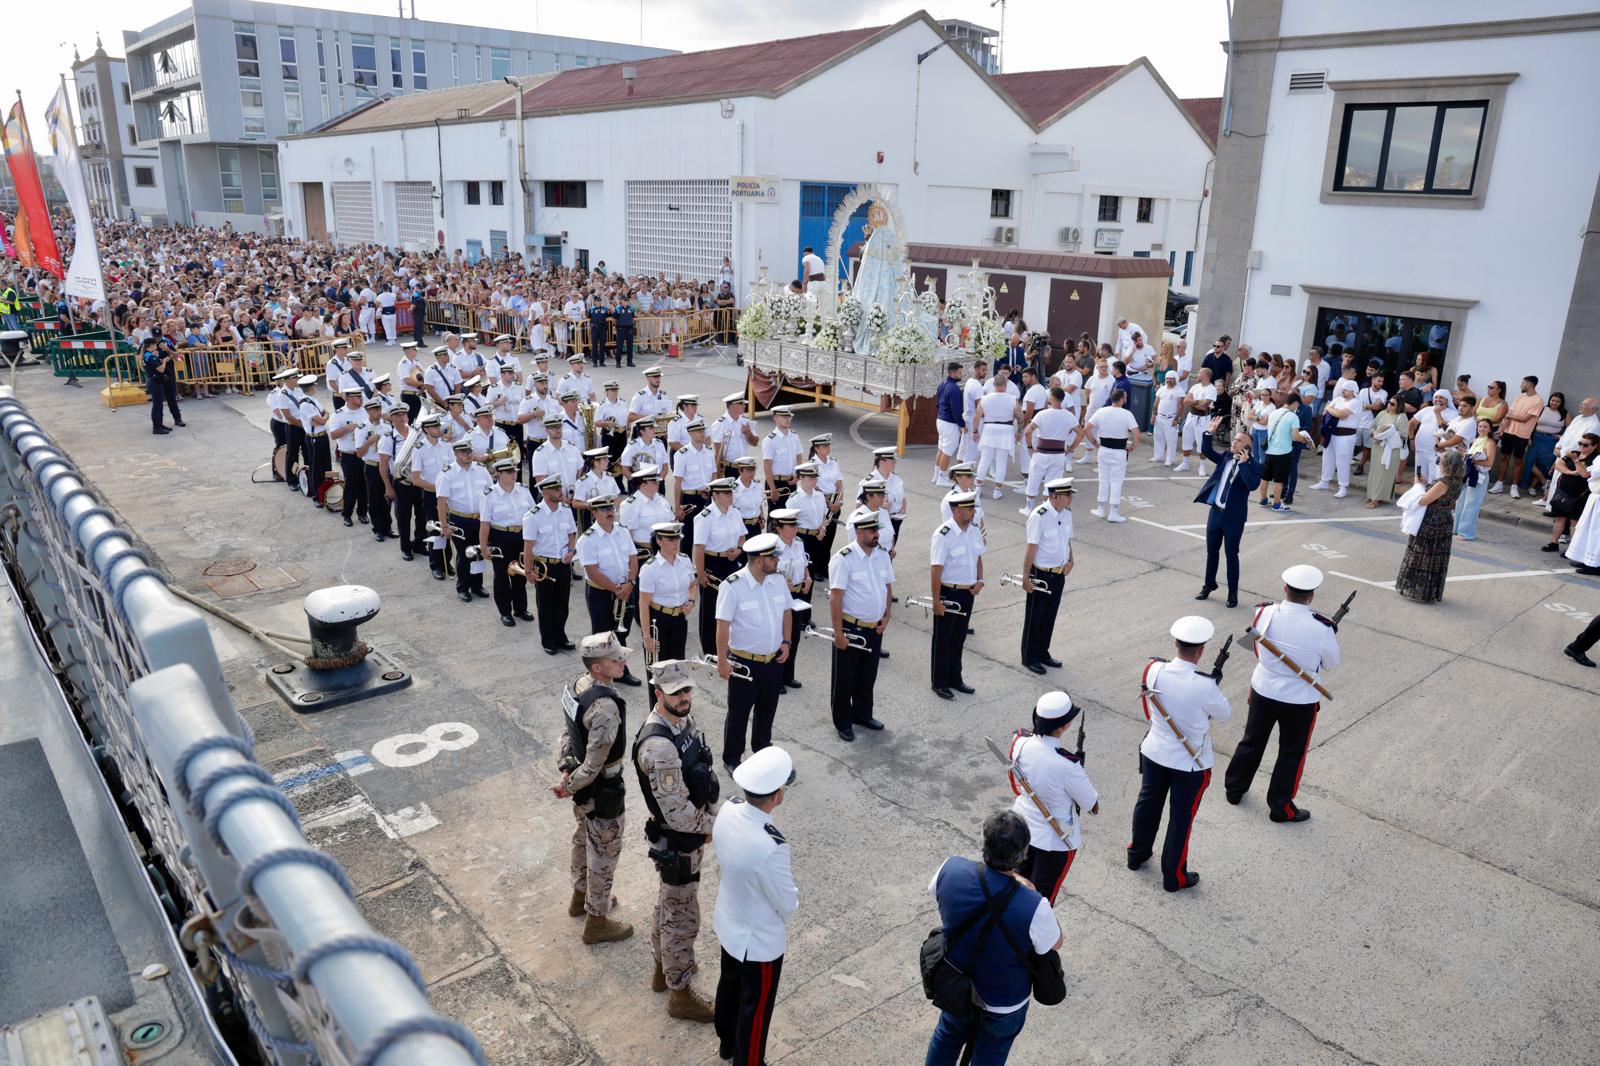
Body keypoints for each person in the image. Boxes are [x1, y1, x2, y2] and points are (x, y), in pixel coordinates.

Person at [924, 811, 1063, 1065]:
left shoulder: (950, 869)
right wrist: (1023, 884)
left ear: (983, 843)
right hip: (1003, 1003)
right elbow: (1055, 943)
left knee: (947, 1035)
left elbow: (936, 892)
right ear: (1024, 853)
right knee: (990, 1055)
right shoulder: (1034, 905)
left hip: (957, 983)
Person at [633, 658, 719, 1021]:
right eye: (675, 692)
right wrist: (713, 826)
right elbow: (677, 813)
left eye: (686, 690)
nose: (684, 697)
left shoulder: (682, 723)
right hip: (680, 840)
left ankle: (662, 968)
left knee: (669, 905)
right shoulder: (659, 747)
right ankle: (679, 993)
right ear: (658, 694)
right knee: (682, 916)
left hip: (689, 837)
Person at [1225, 565, 1340, 822]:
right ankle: (1280, 807)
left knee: (1251, 740)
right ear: (1311, 596)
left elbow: (1254, 649)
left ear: (1285, 589)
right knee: (1291, 752)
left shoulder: (1264, 612)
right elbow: (1331, 663)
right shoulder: (1322, 628)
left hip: (1264, 688)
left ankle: (1234, 788)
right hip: (1299, 699)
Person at [1129, 615, 1232, 892]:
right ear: (1201, 651)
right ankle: (1174, 876)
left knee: (1148, 803)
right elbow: (1224, 714)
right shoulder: (1205, 684)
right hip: (1189, 762)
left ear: (1175, 643)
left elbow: (1151, 711)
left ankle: (1137, 854)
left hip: (1155, 750)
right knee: (1180, 818)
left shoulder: (1153, 669)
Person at [712, 746, 798, 1066]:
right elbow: (786, 902)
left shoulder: (729, 808)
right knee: (756, 1009)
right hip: (759, 940)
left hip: (729, 922)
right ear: (777, 795)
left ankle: (727, 1043)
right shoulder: (771, 845)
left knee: (730, 985)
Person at [555, 632, 635, 945]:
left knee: (581, 837)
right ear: (597, 668)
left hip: (579, 781)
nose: (622, 661)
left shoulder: (578, 685)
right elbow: (594, 765)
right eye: (615, 659)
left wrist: (565, 772)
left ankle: (579, 898)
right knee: (604, 852)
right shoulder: (606, 709)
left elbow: (567, 732)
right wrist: (567, 787)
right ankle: (597, 921)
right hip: (601, 790)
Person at [1007, 692, 1098, 903]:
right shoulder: (1068, 764)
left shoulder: (1020, 741)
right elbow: (1091, 805)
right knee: (1041, 900)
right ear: (1065, 725)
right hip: (1055, 840)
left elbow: (1015, 781)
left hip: (1021, 826)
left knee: (1012, 886)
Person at [714, 532, 793, 775]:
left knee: (767, 710)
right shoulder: (733, 585)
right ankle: (732, 758)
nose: (778, 560)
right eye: (773, 557)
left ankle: (762, 750)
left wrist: (787, 642)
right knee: (739, 712)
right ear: (759, 560)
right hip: (744, 662)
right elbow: (722, 625)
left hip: (773, 661)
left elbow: (787, 611)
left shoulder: (777, 580)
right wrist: (722, 661)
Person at [828, 509, 893, 742]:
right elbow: (836, 598)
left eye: (877, 530)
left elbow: (887, 587)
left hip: (874, 627)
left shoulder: (881, 555)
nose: (877, 534)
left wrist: (887, 616)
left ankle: (863, 714)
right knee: (845, 678)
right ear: (858, 532)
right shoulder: (844, 558)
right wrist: (838, 633)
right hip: (850, 628)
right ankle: (843, 721)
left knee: (868, 674)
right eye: (872, 530)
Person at [576, 495, 642, 684]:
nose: (610, 512)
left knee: (622, 633)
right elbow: (592, 571)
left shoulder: (622, 530)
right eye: (604, 510)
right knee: (602, 635)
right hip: (601, 593)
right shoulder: (587, 539)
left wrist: (630, 584)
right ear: (594, 513)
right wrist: (615, 589)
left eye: (611, 508)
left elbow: (633, 558)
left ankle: (621, 671)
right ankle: (601, 676)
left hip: (626, 589)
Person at [1194, 426, 1260, 609]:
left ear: (1246, 447)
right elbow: (1207, 450)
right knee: (1211, 553)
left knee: (1232, 555)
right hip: (1216, 513)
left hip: (1234, 519)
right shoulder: (1225, 457)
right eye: (1234, 439)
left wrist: (1244, 464)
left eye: (1238, 441)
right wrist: (1209, 433)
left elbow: (1252, 485)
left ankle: (1232, 592)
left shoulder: (1254, 465)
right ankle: (1209, 584)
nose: (1234, 442)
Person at [929, 491, 985, 700]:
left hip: (967, 593)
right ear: (956, 510)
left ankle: (955, 678)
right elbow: (936, 570)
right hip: (948, 592)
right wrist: (936, 601)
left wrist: (980, 580)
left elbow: (978, 557)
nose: (973, 512)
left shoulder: (974, 530)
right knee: (943, 639)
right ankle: (939, 682)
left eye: (973, 508)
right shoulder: (943, 534)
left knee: (958, 637)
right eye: (969, 508)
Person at [1020, 479, 1075, 675]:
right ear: (1055, 496)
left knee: (1049, 616)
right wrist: (1026, 577)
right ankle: (1029, 657)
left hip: (1059, 574)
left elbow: (1065, 540)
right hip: (1041, 574)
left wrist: (1071, 559)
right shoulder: (1039, 516)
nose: (1071, 499)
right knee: (1035, 617)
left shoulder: (1066, 515)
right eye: (1068, 495)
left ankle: (1043, 652)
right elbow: (1031, 549)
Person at [1396, 450, 1465, 604]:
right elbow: (1441, 496)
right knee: (1436, 557)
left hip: (1432, 521)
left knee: (1423, 555)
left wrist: (1417, 486)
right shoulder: (1457, 481)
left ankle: (1418, 590)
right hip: (1445, 520)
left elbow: (1424, 501)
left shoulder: (1444, 482)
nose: (1438, 464)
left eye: (1440, 461)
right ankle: (1429, 591)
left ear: (1446, 465)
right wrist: (1426, 484)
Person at [523, 474, 579, 654]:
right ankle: (548, 640)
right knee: (546, 605)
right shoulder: (533, 516)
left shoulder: (566, 510)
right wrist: (528, 570)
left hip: (563, 564)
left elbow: (571, 534)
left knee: (562, 603)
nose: (560, 491)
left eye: (560, 488)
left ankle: (560, 636)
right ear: (545, 493)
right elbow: (528, 546)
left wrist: (571, 551)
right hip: (544, 566)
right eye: (556, 489)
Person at [478, 459, 535, 626]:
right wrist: (483, 547)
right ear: (499, 474)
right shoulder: (489, 495)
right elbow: (485, 524)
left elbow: (533, 516)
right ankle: (505, 612)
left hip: (521, 536)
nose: (513, 474)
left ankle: (520, 608)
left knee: (521, 573)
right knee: (502, 576)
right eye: (509, 472)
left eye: (514, 471)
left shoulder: (523, 490)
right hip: (501, 536)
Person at [1072, 388, 1140, 523]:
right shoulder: (1127, 414)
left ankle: (1101, 508)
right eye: (1124, 398)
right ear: (1120, 400)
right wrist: (1133, 447)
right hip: (1119, 451)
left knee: (1103, 479)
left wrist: (1094, 443)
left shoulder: (1101, 411)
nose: (1126, 400)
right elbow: (1136, 433)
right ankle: (1113, 511)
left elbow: (1086, 429)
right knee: (1116, 481)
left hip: (1103, 449)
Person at [639, 520, 696, 663]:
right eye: (670, 540)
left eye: (677, 538)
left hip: (680, 618)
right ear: (659, 541)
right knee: (657, 667)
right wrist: (646, 637)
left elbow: (692, 584)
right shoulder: (650, 568)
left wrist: (691, 600)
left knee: (677, 665)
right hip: (658, 619)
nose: (676, 543)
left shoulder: (685, 560)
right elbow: (643, 604)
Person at [770, 508, 812, 691]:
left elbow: (803, 562)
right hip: (777, 596)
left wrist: (808, 577)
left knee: (794, 635)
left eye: (796, 525)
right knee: (780, 636)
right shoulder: (771, 547)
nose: (795, 528)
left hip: (796, 595)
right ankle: (776, 679)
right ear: (779, 528)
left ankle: (788, 675)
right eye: (791, 525)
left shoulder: (799, 543)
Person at [1020, 387, 1074, 515]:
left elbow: (1028, 432)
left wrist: (1029, 447)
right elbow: (1080, 432)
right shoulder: (1068, 415)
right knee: (1052, 483)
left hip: (1042, 453)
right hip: (1059, 453)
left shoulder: (1042, 414)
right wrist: (1071, 448)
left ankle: (1029, 508)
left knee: (1034, 479)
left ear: (1052, 398)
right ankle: (1045, 509)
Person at [1258, 391, 1312, 512]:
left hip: (1270, 450)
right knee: (1279, 479)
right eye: (1297, 405)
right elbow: (1295, 436)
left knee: (1265, 477)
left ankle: (1263, 499)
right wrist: (1304, 439)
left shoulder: (1273, 413)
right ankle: (1277, 504)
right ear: (1295, 403)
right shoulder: (1293, 416)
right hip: (1283, 452)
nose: (1297, 408)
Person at [1547, 435, 1599, 556]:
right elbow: (1558, 464)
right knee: (1559, 518)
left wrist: (1576, 461)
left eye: (1585, 445)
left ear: (1594, 446)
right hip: (1564, 492)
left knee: (1574, 522)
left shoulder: (1595, 459)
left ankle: (1572, 550)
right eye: (1580, 443)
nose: (1581, 446)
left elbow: (1585, 474)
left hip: (1580, 495)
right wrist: (1571, 472)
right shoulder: (1574, 453)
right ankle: (1554, 543)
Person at [1311, 378, 1361, 498]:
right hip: (1331, 433)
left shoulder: (1356, 402)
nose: (1343, 392)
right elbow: (1326, 411)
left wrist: (1332, 410)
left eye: (1346, 390)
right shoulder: (1338, 399)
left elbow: (1340, 414)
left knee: (1342, 461)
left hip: (1346, 436)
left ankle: (1343, 487)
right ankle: (1324, 481)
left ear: (1353, 391)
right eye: (1343, 390)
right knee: (1327, 458)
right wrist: (1333, 411)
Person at [973, 375, 1019, 500]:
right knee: (1001, 462)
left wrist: (975, 431)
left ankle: (978, 488)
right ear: (1005, 385)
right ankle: (997, 490)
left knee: (985, 460)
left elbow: (977, 417)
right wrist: (1019, 431)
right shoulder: (1013, 399)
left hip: (989, 430)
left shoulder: (985, 399)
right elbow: (1020, 417)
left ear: (993, 385)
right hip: (1006, 430)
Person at [1454, 418, 1497, 541]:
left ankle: (1466, 533)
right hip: (1468, 474)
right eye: (1480, 426)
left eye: (1485, 427)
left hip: (1479, 476)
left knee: (1471, 504)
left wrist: (1473, 460)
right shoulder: (1475, 440)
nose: (1482, 429)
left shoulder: (1490, 443)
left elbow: (1489, 463)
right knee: (1461, 502)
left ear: (1490, 429)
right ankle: (1456, 529)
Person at [1365, 396, 1410, 508]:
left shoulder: (1401, 417)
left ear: (1399, 406)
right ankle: (1372, 495)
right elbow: (1372, 427)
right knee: (1375, 471)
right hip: (1377, 446)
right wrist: (1375, 433)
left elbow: (1404, 433)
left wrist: (1389, 432)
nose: (1390, 405)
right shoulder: (1382, 414)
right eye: (1389, 402)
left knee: (1384, 473)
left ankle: (1376, 499)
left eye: (1393, 404)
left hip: (1390, 448)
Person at [1523, 391, 1569, 495]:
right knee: (1530, 462)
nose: (1554, 403)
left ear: (1561, 403)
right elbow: (1531, 423)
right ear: (1550, 400)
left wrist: (1561, 437)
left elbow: (1571, 429)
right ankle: (1544, 482)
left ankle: (1533, 487)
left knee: (1544, 465)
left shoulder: (1564, 413)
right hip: (1536, 437)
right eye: (1553, 400)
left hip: (1551, 441)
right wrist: (1528, 437)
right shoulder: (1542, 409)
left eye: (1558, 401)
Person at [142, 335, 183, 434]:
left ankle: (160, 424)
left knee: (160, 404)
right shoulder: (149, 356)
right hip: (154, 381)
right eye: (154, 344)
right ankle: (157, 427)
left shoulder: (149, 355)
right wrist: (164, 361)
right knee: (157, 405)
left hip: (157, 380)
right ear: (150, 345)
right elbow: (161, 369)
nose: (156, 345)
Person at [935, 362, 966, 485]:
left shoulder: (942, 383)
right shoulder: (954, 388)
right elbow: (956, 409)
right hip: (949, 422)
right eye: (960, 372)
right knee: (948, 451)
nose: (961, 374)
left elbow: (937, 403)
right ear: (953, 373)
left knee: (942, 448)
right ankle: (941, 477)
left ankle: (936, 474)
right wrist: (962, 425)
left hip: (941, 419)